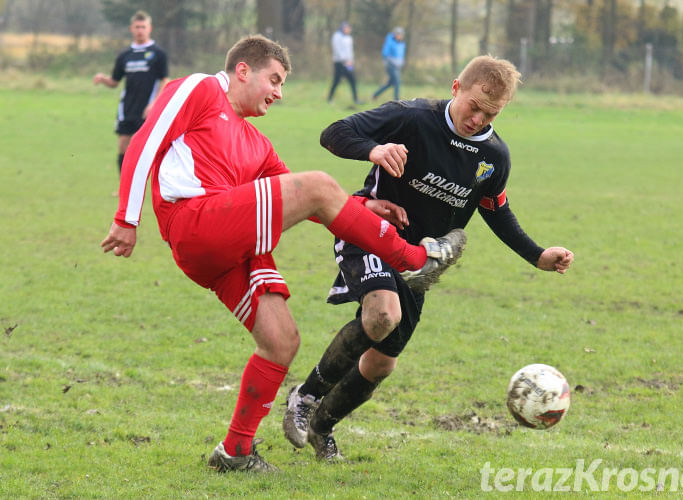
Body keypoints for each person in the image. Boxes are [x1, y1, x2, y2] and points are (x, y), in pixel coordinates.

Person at [100, 34, 466, 473]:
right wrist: (127, 217)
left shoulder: (256, 143)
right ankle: (416, 261)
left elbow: (309, 201)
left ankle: (234, 452)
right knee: (318, 184)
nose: (278, 92)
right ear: (242, 70)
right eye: (273, 79)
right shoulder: (201, 88)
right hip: (195, 223)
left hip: (225, 248)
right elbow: (144, 140)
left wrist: (363, 207)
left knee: (281, 342)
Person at [283, 55, 575, 461]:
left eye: (491, 113)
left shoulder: (494, 157)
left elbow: (495, 209)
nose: (478, 119)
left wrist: (537, 255)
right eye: (473, 106)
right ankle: (306, 395)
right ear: (456, 87)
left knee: (382, 364)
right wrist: (374, 149)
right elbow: (334, 133)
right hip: (369, 231)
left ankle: (322, 426)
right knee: (382, 315)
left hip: (420, 261)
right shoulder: (413, 118)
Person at [93, 10, 169, 175]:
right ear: (131, 29)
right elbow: (115, 81)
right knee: (123, 145)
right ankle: (124, 188)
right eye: (137, 27)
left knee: (149, 149)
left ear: (150, 28)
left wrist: (154, 104)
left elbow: (165, 80)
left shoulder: (158, 54)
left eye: (143, 27)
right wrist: (102, 79)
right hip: (127, 107)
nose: (140, 30)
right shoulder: (124, 56)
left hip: (148, 108)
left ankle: (151, 185)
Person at [327, 21, 362, 105]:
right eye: (347, 28)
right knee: (337, 81)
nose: (348, 30)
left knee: (353, 80)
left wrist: (351, 61)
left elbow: (350, 51)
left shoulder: (349, 38)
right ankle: (330, 99)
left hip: (348, 64)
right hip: (339, 63)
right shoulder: (337, 36)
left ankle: (356, 99)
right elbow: (337, 49)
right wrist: (344, 60)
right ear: (343, 28)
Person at [372, 26, 406, 101]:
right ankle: (397, 100)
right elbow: (385, 54)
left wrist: (402, 62)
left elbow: (401, 55)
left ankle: (375, 94)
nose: (401, 36)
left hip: (398, 66)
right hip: (390, 65)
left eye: (402, 34)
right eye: (399, 34)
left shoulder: (402, 44)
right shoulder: (390, 42)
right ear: (395, 34)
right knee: (397, 82)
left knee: (390, 83)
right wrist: (392, 61)